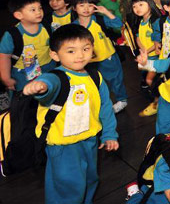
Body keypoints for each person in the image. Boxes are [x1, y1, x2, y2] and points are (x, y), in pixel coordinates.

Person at [23, 24, 118, 204]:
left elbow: (105, 106)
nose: (80, 55)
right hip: (62, 145)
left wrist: (109, 133)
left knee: (90, 179)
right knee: (67, 186)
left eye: (85, 49)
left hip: (89, 140)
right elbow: (48, 83)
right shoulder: (57, 76)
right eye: (71, 51)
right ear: (55, 55)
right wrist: (40, 87)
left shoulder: (95, 76)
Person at [72, 0, 128, 113]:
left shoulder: (100, 20)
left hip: (108, 57)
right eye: (81, 5)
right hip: (88, 61)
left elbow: (118, 24)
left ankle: (122, 100)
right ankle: (101, 103)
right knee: (95, 83)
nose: (86, 9)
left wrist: (106, 12)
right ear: (74, 8)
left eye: (90, 5)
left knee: (115, 80)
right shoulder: (74, 26)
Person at [0, 0, 55, 92]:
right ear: (19, 15)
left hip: (48, 68)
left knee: (49, 94)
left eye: (40, 8)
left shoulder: (46, 26)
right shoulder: (12, 35)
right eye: (33, 10)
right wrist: (6, 79)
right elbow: (4, 57)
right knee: (25, 99)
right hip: (23, 74)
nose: (39, 12)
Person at [131, 0, 162, 117]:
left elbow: (158, 42)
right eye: (134, 6)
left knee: (150, 79)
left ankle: (157, 101)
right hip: (146, 56)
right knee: (151, 79)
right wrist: (142, 49)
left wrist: (146, 51)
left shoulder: (154, 21)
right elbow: (138, 37)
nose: (137, 9)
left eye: (140, 5)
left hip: (155, 57)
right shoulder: (141, 21)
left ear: (150, 4)